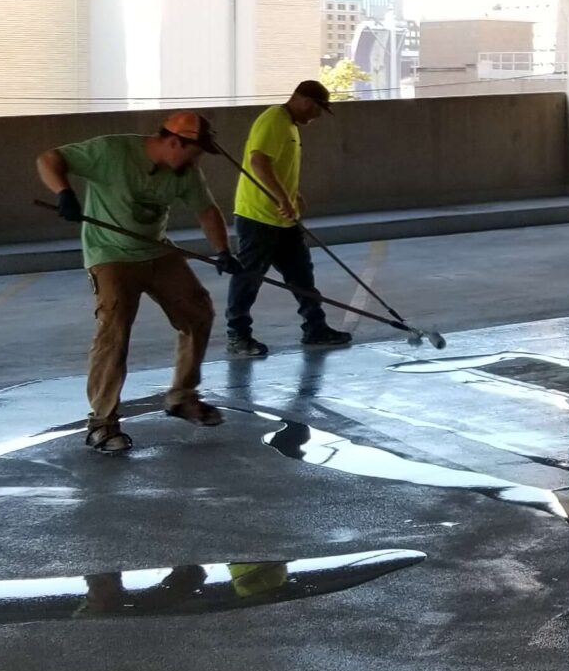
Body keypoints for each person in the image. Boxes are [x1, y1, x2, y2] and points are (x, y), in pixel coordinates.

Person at [37, 111, 237, 453]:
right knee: (114, 329)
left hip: (155, 249)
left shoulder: (186, 172)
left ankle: (182, 397)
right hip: (110, 254)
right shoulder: (112, 153)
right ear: (174, 142)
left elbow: (206, 210)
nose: (197, 159)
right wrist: (64, 192)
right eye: (194, 151)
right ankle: (102, 423)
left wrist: (223, 251)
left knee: (197, 311)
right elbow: (49, 159)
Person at [223, 78, 353, 359]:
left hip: (282, 219)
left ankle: (315, 328)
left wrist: (293, 195)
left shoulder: (289, 125)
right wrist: (283, 198)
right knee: (249, 277)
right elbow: (259, 161)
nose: (317, 117)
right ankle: (238, 336)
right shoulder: (274, 120)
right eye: (318, 110)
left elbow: (279, 167)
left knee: (301, 275)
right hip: (258, 217)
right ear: (306, 102)